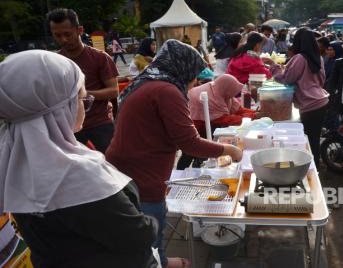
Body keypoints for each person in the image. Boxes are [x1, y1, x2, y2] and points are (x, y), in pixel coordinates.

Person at [0, 50, 158, 268]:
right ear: (59, 107)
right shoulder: (77, 173)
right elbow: (138, 235)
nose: (85, 105)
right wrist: (153, 221)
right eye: (83, 98)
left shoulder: (10, 157)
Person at [105, 40, 243, 268]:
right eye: (195, 75)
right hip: (143, 171)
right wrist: (230, 150)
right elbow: (189, 142)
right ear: (183, 68)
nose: (196, 81)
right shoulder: (167, 91)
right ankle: (158, 262)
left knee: (138, 227)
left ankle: (160, 259)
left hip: (124, 165)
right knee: (151, 224)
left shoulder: (148, 81)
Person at [47, 8, 118, 153]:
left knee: (112, 168)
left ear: (79, 30)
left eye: (67, 34)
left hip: (99, 124)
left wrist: (82, 93)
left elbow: (114, 91)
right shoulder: (53, 61)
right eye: (57, 35)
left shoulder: (100, 57)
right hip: (68, 127)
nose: (63, 40)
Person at [264, 28, 329, 168]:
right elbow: (321, 80)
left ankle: (311, 169)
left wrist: (273, 66)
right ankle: (314, 168)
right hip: (321, 101)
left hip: (309, 105)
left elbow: (287, 79)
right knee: (314, 139)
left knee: (308, 141)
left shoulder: (300, 58)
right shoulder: (318, 57)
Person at [177, 74, 268, 169]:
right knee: (190, 153)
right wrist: (254, 116)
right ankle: (179, 175)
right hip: (194, 126)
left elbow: (238, 109)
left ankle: (196, 168)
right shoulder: (212, 97)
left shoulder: (220, 91)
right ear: (228, 88)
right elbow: (224, 119)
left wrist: (255, 113)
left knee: (200, 152)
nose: (234, 95)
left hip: (207, 124)